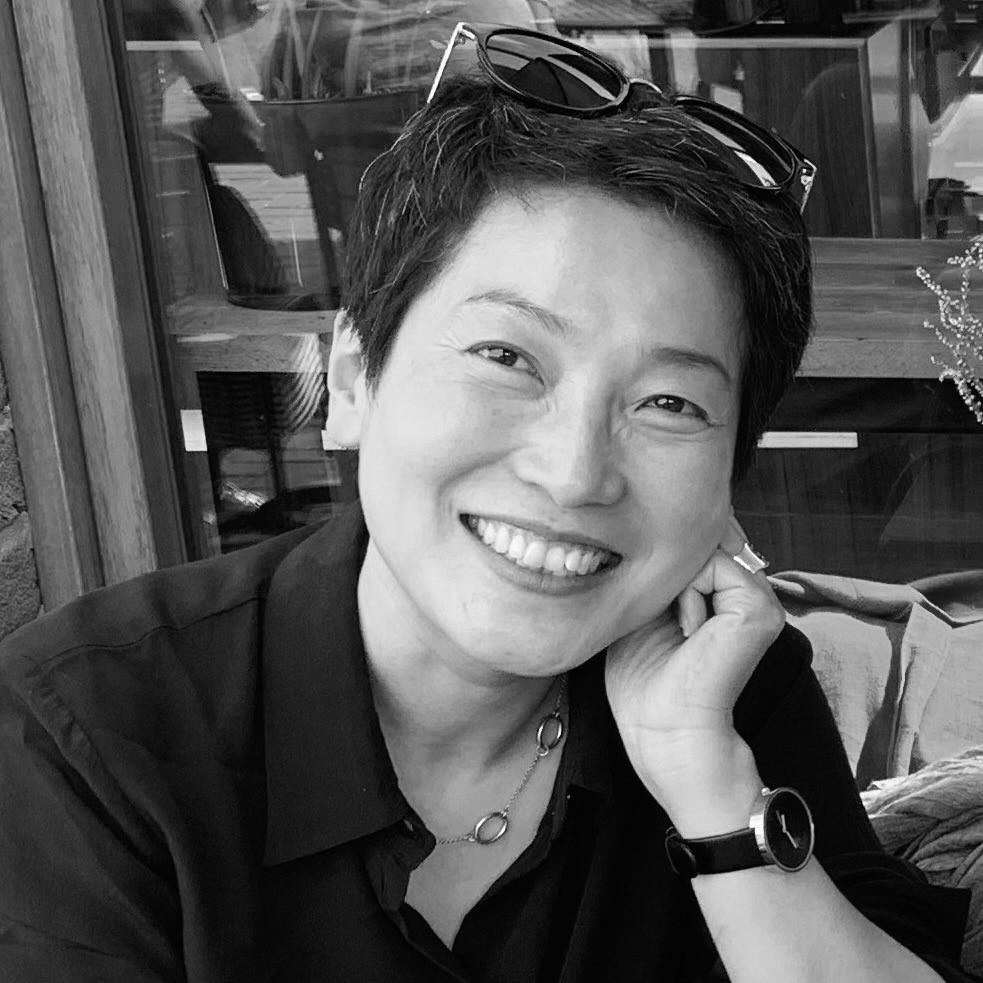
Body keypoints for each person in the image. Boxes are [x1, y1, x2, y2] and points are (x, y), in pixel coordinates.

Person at [0, 23, 975, 983]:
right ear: (353, 378)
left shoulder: (725, 693)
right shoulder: (86, 741)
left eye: (669, 403)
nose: (574, 473)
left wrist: (708, 788)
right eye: (506, 355)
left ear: (729, 476)